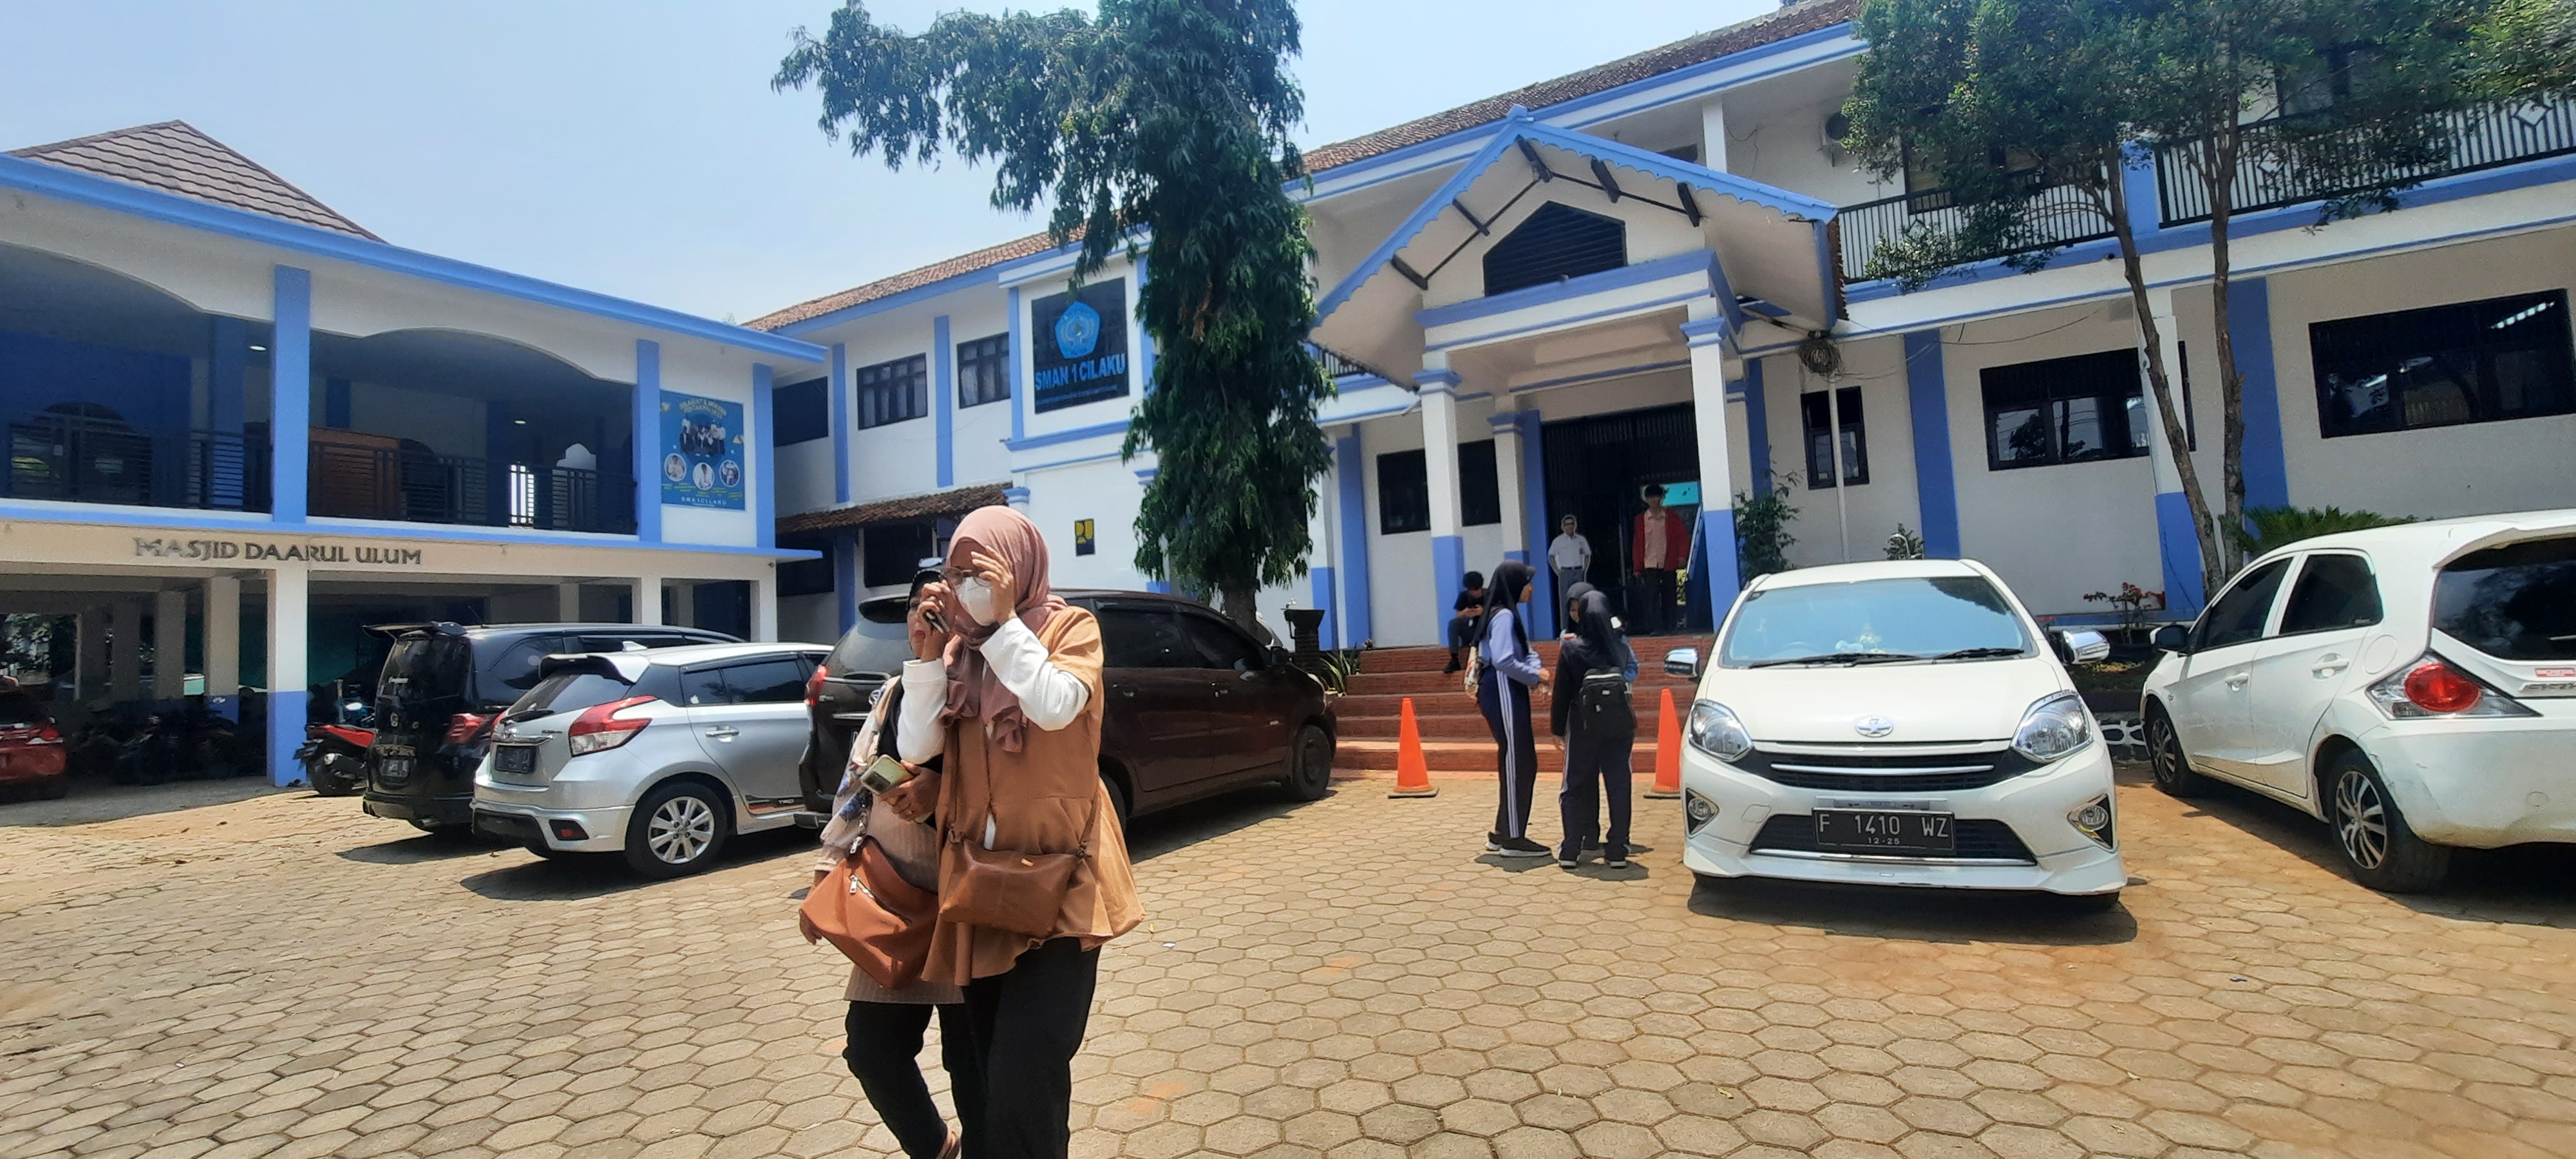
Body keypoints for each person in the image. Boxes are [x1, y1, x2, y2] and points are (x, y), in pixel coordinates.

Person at [877, 506, 1142, 1159]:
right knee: (987, 1079)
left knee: (1028, 1071)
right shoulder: (960, 653)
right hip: (979, 889)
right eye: (955, 573)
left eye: (980, 571)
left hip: (1061, 884)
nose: (965, 585)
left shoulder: (1068, 629)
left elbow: (1053, 705)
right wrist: (925, 660)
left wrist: (998, 625)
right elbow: (915, 744)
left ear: (1017, 568)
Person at [808, 568, 971, 1159]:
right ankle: (935, 1147)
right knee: (871, 1048)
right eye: (917, 608)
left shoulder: (980, 686)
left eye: (939, 608)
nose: (923, 620)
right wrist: (828, 870)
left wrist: (940, 788)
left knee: (970, 1059)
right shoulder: (893, 691)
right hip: (893, 898)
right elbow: (856, 784)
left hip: (965, 903)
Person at [1551, 587, 1640, 870]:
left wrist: (1557, 729)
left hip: (1583, 725)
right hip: (1619, 727)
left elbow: (1562, 692)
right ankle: (1617, 849)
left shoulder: (1572, 649)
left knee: (1575, 785)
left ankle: (1571, 848)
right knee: (1619, 785)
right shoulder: (1621, 648)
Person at [1470, 560, 1549, 857]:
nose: (1530, 588)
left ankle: (1503, 831)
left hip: (1505, 687)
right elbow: (1503, 660)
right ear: (1515, 585)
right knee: (1519, 760)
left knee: (1516, 758)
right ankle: (1514, 838)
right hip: (1502, 686)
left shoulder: (1505, 614)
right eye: (1527, 582)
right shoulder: (1503, 616)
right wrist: (1534, 676)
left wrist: (1535, 670)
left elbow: (1525, 653)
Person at [1631, 484, 1689, 635]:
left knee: (1670, 595)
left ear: (1661, 498)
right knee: (1652, 597)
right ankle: (1657, 628)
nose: (1653, 501)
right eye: (1650, 498)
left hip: (1668, 562)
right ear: (1646, 500)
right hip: (1649, 563)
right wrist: (1637, 567)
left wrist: (1682, 556)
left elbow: (1682, 537)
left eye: (1656, 497)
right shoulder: (1640, 520)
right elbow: (1637, 544)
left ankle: (1671, 626)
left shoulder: (1671, 517)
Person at [1443, 570, 1486, 674]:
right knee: (1454, 623)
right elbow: (1458, 616)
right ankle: (1454, 659)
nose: (1473, 593)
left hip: (1486, 632)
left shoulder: (1490, 595)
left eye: (1475, 589)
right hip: (1470, 631)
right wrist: (1465, 613)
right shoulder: (1464, 596)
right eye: (1470, 590)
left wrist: (1483, 612)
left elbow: (1498, 614)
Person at [1547, 515, 1592, 607]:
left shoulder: (1581, 540)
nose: (1570, 526)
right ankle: (1566, 621)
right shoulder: (1558, 541)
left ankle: (1581, 620)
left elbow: (1587, 554)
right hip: (1565, 572)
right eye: (1567, 524)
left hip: (1578, 571)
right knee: (1565, 601)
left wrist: (1584, 570)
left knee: (1580, 599)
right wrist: (1558, 571)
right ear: (1563, 527)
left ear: (1575, 525)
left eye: (1572, 524)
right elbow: (1551, 556)